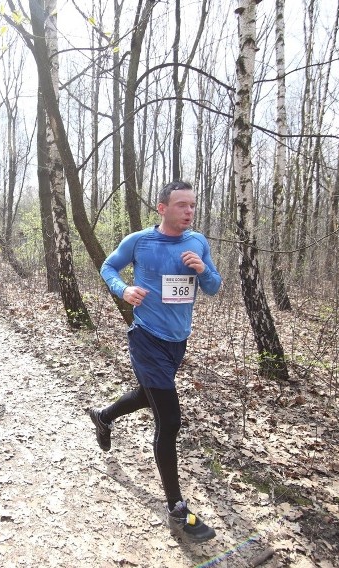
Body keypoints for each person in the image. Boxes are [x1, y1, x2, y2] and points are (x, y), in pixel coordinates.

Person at [88, 180, 222, 543]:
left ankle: (103, 416)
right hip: (146, 338)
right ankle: (177, 508)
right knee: (170, 419)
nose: (189, 211)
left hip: (177, 343)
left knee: (147, 396)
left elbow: (214, 286)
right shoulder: (139, 241)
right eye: (181, 205)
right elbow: (108, 268)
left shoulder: (197, 243)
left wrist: (203, 271)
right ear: (162, 208)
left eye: (192, 205)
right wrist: (124, 290)